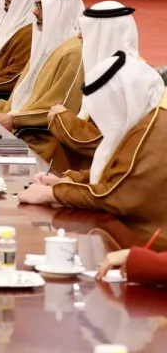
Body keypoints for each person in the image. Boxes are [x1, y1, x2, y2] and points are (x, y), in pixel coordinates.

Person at [19, 51, 167, 235]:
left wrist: (51, 194)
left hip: (147, 238)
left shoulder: (154, 131)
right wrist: (66, 180)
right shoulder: (143, 118)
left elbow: (116, 196)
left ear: (121, 99)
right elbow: (114, 170)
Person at [0, 0, 85, 165]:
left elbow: (63, 109)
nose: (34, 12)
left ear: (59, 12)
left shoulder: (73, 52)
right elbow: (25, 96)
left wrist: (14, 119)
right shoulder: (47, 43)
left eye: (40, 6)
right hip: (17, 129)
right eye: (36, 5)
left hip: (39, 142)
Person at [47, 1, 140, 169]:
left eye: (85, 30)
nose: (79, 36)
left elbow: (106, 144)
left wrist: (62, 118)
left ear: (104, 35)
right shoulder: (108, 72)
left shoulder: (123, 81)